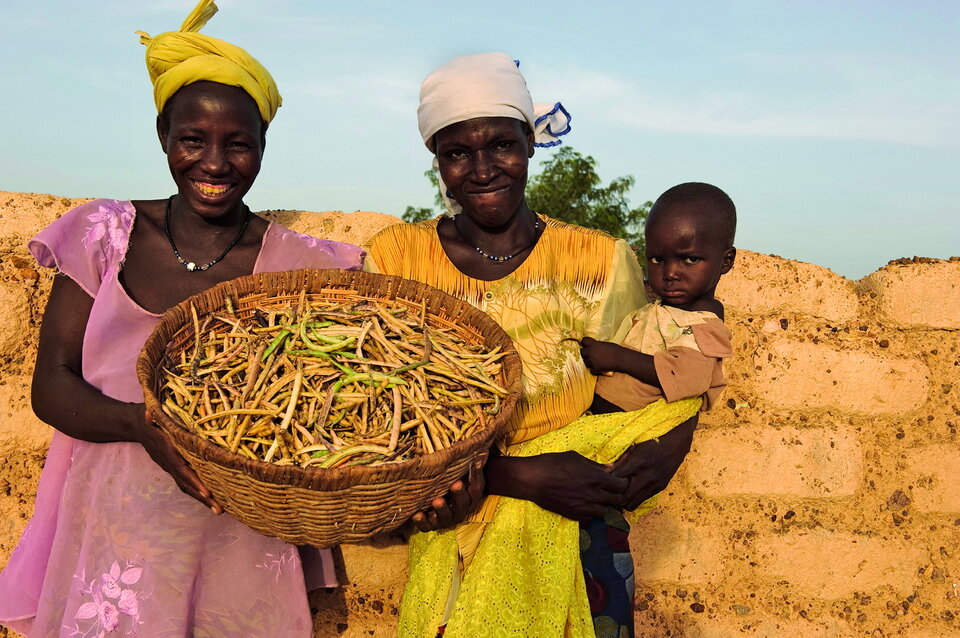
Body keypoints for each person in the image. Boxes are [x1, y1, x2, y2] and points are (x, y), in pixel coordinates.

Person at [0, 2, 364, 636]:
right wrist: (143, 426)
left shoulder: (299, 267)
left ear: (264, 147)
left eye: (239, 144)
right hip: (114, 532)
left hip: (239, 533)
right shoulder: (103, 235)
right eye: (193, 140)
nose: (216, 164)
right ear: (164, 136)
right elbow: (52, 385)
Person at [364, 52, 701, 638]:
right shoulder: (397, 261)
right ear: (436, 162)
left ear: (530, 141)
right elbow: (378, 418)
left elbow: (646, 377)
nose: (483, 168)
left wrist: (677, 434)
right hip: (457, 514)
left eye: (501, 145)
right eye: (457, 153)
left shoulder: (600, 261)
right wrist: (513, 475)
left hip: (579, 521)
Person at [582, 182, 736, 416]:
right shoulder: (666, 310)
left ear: (725, 261)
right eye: (657, 260)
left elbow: (688, 377)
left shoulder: (703, 325)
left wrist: (617, 357)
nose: (670, 273)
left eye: (691, 259)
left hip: (632, 431)